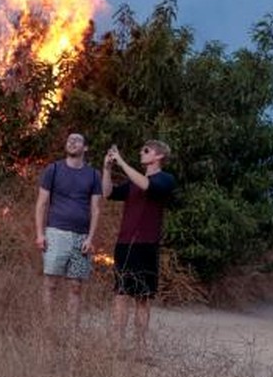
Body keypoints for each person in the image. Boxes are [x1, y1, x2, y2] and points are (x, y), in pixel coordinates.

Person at [102, 140, 176, 353]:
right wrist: (107, 168)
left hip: (147, 245)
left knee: (142, 298)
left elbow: (148, 186)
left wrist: (122, 162)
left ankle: (140, 348)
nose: (141, 153)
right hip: (125, 243)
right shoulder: (133, 182)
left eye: (146, 150)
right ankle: (117, 345)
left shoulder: (166, 179)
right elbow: (108, 193)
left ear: (159, 156)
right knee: (121, 294)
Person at [34, 132, 102, 318]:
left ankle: (72, 332)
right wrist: (40, 234)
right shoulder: (53, 169)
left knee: (76, 286)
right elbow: (41, 203)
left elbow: (95, 208)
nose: (72, 142)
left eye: (77, 140)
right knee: (51, 283)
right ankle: (48, 327)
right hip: (56, 233)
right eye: (69, 139)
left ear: (85, 148)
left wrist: (90, 238)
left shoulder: (94, 175)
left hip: (81, 237)